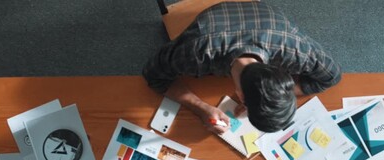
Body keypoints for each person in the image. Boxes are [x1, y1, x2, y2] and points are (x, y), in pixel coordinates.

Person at [142, 1, 341, 134]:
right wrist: (201, 108)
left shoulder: (293, 50)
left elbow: (332, 76)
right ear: (242, 98)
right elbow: (153, 75)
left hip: (266, 19)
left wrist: (272, 99)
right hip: (214, 24)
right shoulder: (197, 52)